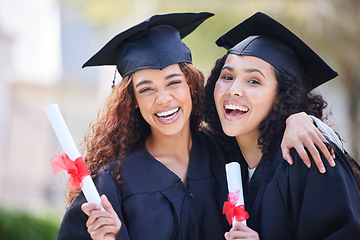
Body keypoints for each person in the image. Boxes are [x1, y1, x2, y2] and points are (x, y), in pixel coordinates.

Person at [56, 12, 336, 240]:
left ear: (191, 85)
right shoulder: (112, 182)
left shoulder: (232, 153)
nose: (163, 98)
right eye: (146, 89)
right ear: (133, 102)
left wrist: (297, 118)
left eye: (174, 82)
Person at [204, 12, 360, 239]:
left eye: (253, 81)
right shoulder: (218, 154)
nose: (233, 90)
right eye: (227, 76)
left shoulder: (308, 155)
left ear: (281, 98)